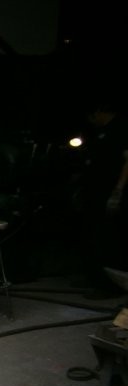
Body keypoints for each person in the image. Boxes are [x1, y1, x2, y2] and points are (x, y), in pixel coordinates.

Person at [76, 95, 128, 297]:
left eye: (92, 115)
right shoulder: (101, 133)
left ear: (99, 111)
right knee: (92, 235)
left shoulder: (121, 128)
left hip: (111, 193)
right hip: (95, 194)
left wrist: (117, 191)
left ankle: (110, 287)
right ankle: (95, 279)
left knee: (108, 238)